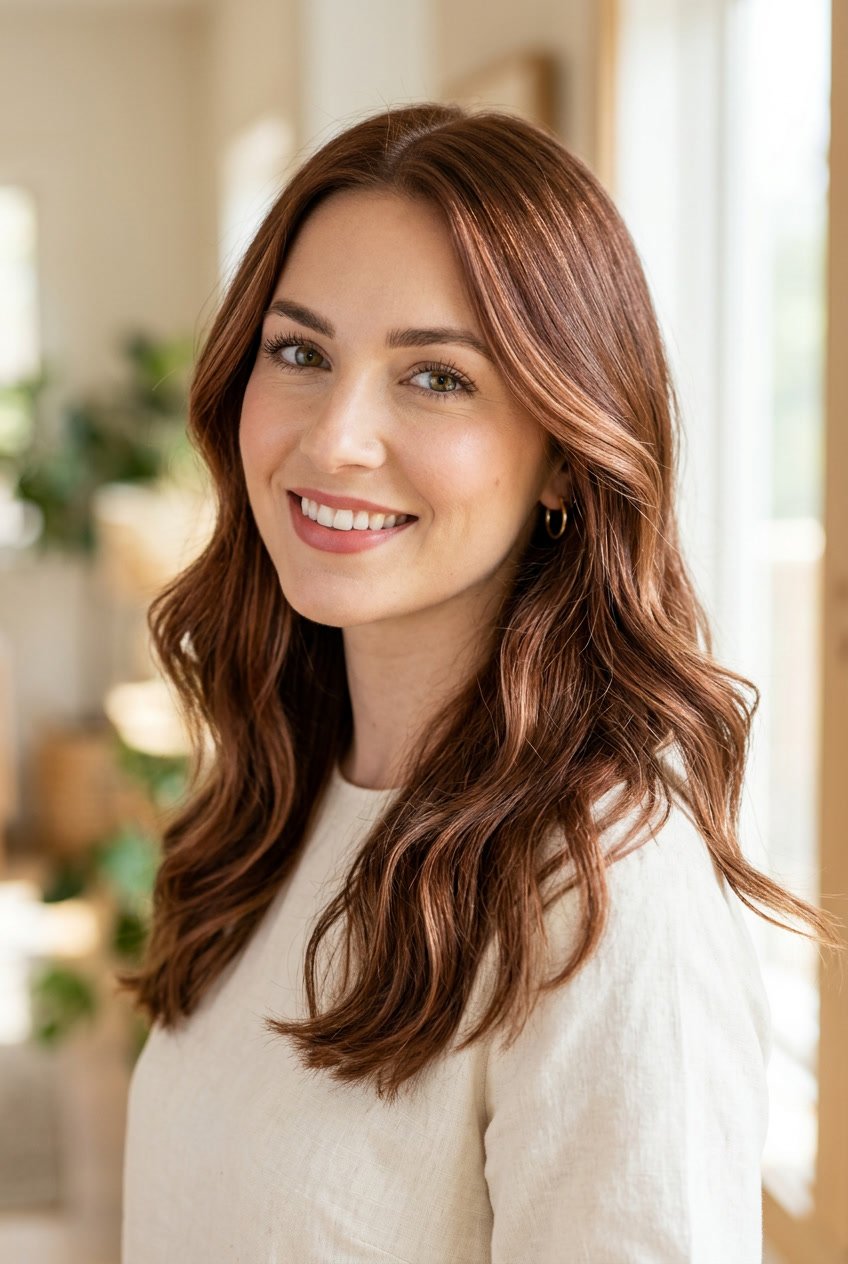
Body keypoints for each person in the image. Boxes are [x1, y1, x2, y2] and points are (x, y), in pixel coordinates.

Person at [117, 102, 840, 1263]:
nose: (335, 438)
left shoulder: (601, 893)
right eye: (299, 352)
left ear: (563, 450)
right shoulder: (279, 792)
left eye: (436, 377)